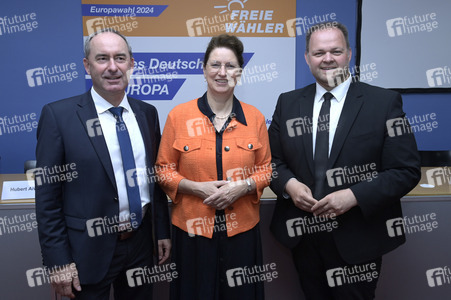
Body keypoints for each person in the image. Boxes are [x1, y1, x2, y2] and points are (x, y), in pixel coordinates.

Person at [268, 22, 421, 299]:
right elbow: (271, 162)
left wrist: (353, 195)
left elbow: (405, 170)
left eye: (335, 51)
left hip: (358, 238)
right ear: (307, 58)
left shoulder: (383, 103)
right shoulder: (288, 103)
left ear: (349, 54)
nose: (327, 59)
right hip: (303, 236)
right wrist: (289, 185)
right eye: (319, 52)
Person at [34, 28, 171, 299]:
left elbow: (154, 181)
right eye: (102, 58)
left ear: (131, 63)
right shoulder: (58, 116)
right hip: (85, 251)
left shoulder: (147, 113)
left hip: (141, 245)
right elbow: (47, 198)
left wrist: (161, 232)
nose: (112, 67)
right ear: (87, 65)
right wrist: (58, 261)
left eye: (120, 58)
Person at [155, 34, 272, 300]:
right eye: (215, 65)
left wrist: (242, 187)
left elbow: (266, 169)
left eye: (230, 66)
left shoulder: (254, 118)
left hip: (241, 232)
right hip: (193, 232)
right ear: (204, 68)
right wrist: (195, 188)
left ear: (239, 71)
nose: (222, 72)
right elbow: (163, 170)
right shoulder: (179, 116)